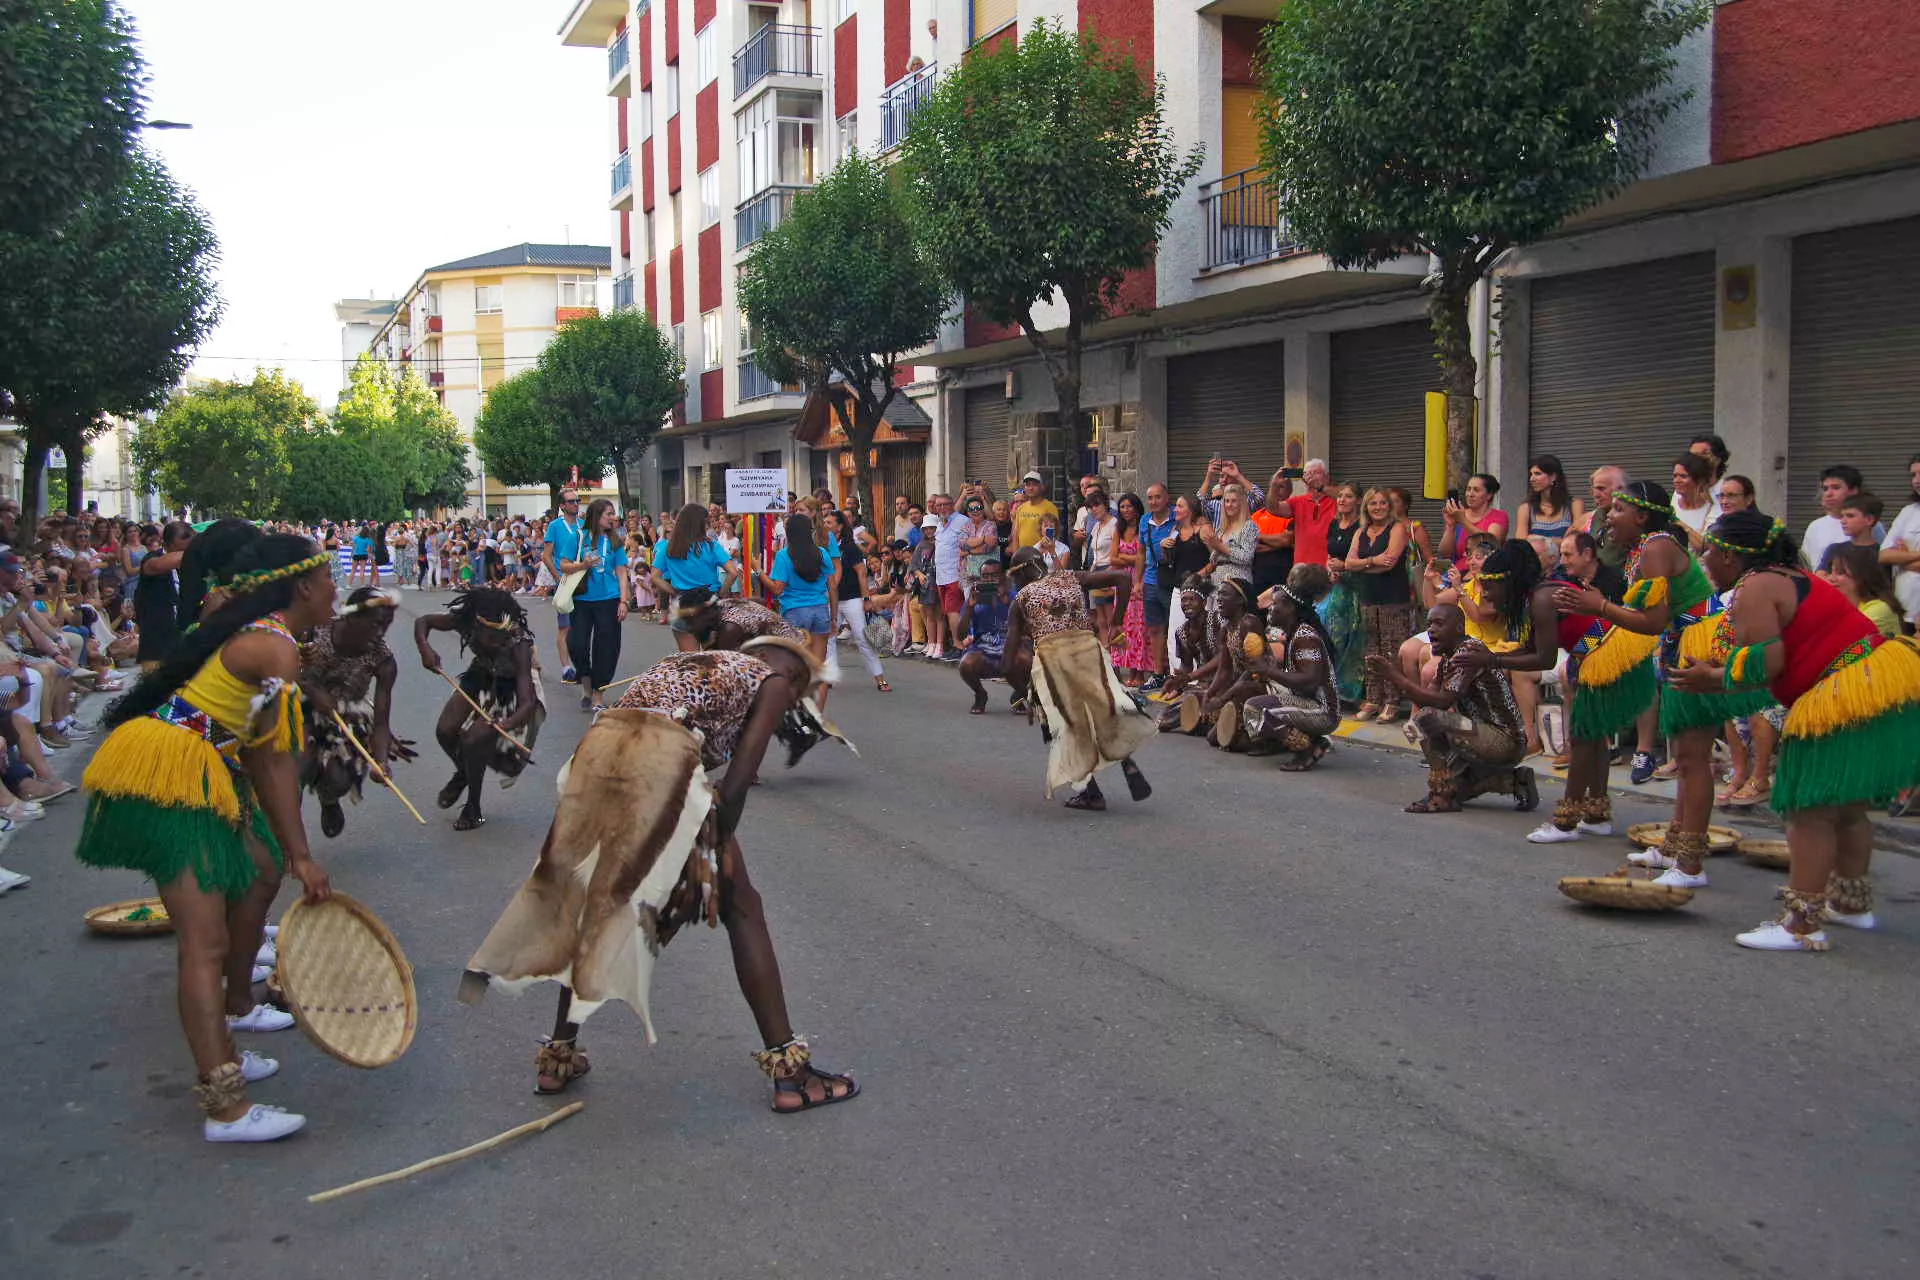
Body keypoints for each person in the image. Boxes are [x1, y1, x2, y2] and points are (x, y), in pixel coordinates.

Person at [460, 639, 859, 1109]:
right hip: (655, 761)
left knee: (598, 905)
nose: (791, 706)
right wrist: (708, 858)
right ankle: (791, 1076)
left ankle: (558, 1058)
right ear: (792, 677)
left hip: (595, 755)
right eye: (799, 696)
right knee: (743, 908)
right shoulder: (771, 682)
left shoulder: (696, 661)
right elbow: (733, 790)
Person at [74, 532, 336, 1143]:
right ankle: (225, 1106)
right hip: (172, 774)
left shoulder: (271, 637)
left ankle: (236, 1015)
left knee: (257, 874)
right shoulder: (277, 650)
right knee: (204, 942)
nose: (336, 591)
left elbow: (256, 750)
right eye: (328, 581)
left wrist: (289, 856)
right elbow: (273, 761)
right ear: (302, 586)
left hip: (199, 767)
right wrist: (302, 854)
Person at [1671, 508, 1920, 950]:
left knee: (1809, 811)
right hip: (1881, 680)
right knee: (1847, 809)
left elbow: (1767, 664)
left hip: (1841, 694)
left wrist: (1709, 678)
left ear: (1730, 555)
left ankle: (1801, 925)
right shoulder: (1793, 575)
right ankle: (1851, 905)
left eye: (1709, 551)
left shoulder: (1754, 587)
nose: (1703, 560)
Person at [1528, 482, 1692, 844]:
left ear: (1643, 516)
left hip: (1684, 649)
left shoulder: (1656, 547)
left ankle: (1568, 820)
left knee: (1587, 729)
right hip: (1660, 646)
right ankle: (1598, 814)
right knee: (1592, 726)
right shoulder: (1641, 550)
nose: (1608, 517)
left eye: (1618, 509)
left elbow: (1649, 621)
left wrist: (1598, 607)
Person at [1002, 547, 1154, 811]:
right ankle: (1124, 758)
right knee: (1104, 709)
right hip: (1089, 652)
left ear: (1024, 570)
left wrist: (1024, 692)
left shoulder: (1022, 599)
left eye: (1016, 576)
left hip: (1054, 660)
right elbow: (1123, 578)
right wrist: (1116, 622)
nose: (1016, 582)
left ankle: (1089, 791)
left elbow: (1007, 663)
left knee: (1062, 726)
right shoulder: (1071, 577)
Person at [1369, 603, 1536, 814]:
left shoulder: (1467, 653)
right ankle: (1513, 781)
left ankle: (1442, 793)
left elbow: (1441, 702)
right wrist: (1394, 676)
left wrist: (1395, 676)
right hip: (1480, 734)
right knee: (1415, 726)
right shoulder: (1449, 657)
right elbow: (1428, 698)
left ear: (1458, 628)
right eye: (1429, 624)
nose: (1431, 630)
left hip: (1503, 740)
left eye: (1438, 623)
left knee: (1425, 719)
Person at [415, 588, 544, 832]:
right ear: (476, 623)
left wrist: (502, 725)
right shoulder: (464, 620)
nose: (496, 642)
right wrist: (425, 648)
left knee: (475, 737)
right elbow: (423, 622)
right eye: (491, 636)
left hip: (511, 687)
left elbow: (527, 702)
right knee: (445, 730)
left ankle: (473, 807)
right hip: (481, 673)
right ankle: (464, 772)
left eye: (500, 637)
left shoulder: (518, 644)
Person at [298, 587, 406, 840]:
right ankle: (290, 842)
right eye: (376, 624)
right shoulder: (314, 631)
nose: (381, 633)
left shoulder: (383, 660)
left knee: (339, 781)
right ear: (351, 617)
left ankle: (328, 798)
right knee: (296, 769)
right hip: (297, 709)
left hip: (343, 718)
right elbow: (286, 667)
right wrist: (313, 691)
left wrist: (381, 762)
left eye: (386, 625)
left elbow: (381, 721)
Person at [1237, 565, 1340, 770]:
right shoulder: (1294, 633)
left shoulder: (1305, 637)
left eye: (1275, 604)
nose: (1270, 608)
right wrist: (1270, 668)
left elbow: (1309, 681)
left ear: (1290, 607)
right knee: (1254, 691)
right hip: (1307, 702)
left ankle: (1305, 749)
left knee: (1256, 708)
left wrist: (1269, 671)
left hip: (1323, 711)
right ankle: (1312, 742)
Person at [1342, 487, 1414, 722]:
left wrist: (1362, 565)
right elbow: (1348, 563)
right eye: (1373, 503)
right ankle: (1373, 699)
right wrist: (1372, 561)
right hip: (1367, 598)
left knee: (1391, 651)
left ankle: (1392, 701)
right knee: (1370, 651)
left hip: (1393, 599)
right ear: (1366, 507)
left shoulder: (1398, 529)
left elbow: (1390, 563)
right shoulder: (1361, 532)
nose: (1378, 507)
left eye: (1383, 503)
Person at [560, 498, 631, 714]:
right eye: (608, 514)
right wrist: (583, 564)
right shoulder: (579, 537)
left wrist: (624, 600)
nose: (612, 518)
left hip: (609, 599)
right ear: (597, 516)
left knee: (607, 647)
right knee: (577, 643)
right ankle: (586, 681)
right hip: (582, 600)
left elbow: (621, 572)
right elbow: (563, 564)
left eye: (613, 514)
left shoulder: (616, 539)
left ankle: (599, 694)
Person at [757, 512, 835, 682]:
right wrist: (834, 617)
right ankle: (818, 708)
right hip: (820, 610)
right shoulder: (822, 553)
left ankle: (799, 705)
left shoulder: (784, 555)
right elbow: (833, 587)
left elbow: (777, 589)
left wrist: (759, 572)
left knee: (795, 667)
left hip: (794, 611)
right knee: (818, 669)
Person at [651, 503, 735, 654]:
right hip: (709, 604)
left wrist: (673, 591)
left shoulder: (669, 547)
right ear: (699, 524)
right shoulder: (711, 546)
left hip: (683, 604)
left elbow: (655, 576)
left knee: (691, 662)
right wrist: (721, 593)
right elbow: (733, 572)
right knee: (713, 661)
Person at [823, 509, 889, 695]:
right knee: (829, 638)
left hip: (851, 598)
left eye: (829, 522)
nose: (826, 525)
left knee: (862, 637)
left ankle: (879, 677)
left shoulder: (850, 547)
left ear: (839, 526)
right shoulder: (823, 547)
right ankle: (830, 676)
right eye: (825, 522)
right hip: (830, 598)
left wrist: (865, 598)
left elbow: (861, 573)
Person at [1320, 483, 1365, 706]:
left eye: (1348, 497)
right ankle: (1335, 689)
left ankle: (1354, 693)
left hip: (1357, 587)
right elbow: (1330, 554)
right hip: (1338, 588)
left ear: (1358, 501)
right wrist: (1330, 570)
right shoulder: (1334, 524)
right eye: (1339, 496)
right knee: (1334, 636)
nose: (1342, 500)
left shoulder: (1362, 526)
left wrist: (1344, 567)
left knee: (1355, 638)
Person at [957, 560, 1019, 713]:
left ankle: (1019, 694)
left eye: (994, 575)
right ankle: (980, 694)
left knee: (1029, 660)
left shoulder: (1014, 596)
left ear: (1002, 576)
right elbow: (960, 635)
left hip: (1011, 648)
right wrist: (970, 607)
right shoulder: (975, 597)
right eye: (985, 576)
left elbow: (1028, 625)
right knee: (966, 664)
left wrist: (1008, 602)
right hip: (983, 649)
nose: (990, 580)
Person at [133, 520, 192, 670]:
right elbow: (156, 566)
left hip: (182, 636)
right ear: (165, 544)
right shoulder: (152, 559)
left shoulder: (192, 565)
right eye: (179, 549)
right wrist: (194, 552)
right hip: (156, 639)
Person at [1802, 464, 1882, 572]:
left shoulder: (1871, 525)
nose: (1828, 494)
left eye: (1836, 488)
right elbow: (1806, 564)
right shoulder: (1815, 526)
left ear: (1853, 490)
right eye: (1825, 489)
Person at [541, 489, 586, 678]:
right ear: (562, 505)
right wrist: (558, 577)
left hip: (583, 581)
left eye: (577, 500)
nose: (575, 504)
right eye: (571, 501)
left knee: (581, 626)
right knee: (565, 627)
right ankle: (566, 668)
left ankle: (582, 666)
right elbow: (546, 555)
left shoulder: (584, 525)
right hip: (565, 579)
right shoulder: (555, 526)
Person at [1109, 494, 1154, 685]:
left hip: (1140, 580)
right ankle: (1128, 670)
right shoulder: (1118, 529)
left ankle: (1140, 672)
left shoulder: (1144, 528)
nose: (1125, 510)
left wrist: (1127, 558)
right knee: (1124, 627)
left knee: (1140, 628)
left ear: (1137, 508)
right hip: (1122, 583)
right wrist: (1133, 558)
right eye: (1122, 507)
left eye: (1129, 506)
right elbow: (1112, 558)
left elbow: (1143, 557)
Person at [1821, 543, 1904, 639]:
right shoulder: (1841, 606)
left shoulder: (1880, 609)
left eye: (1840, 573)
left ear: (1862, 577)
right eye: (1831, 572)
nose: (1831, 578)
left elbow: (1843, 643)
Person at [1882, 454, 1920, 631]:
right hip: (1906, 610)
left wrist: (1903, 558)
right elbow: (1884, 556)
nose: (1916, 481)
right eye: (1913, 475)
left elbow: (1895, 557)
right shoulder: (1908, 512)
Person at [1440, 473, 1508, 570]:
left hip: (1484, 571)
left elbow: (1491, 543)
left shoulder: (1499, 516)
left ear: (1489, 495)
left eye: (1476, 490)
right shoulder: (1459, 514)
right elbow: (1445, 554)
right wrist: (1450, 527)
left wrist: (1463, 520)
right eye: (1468, 489)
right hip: (1459, 572)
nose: (1470, 494)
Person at [1514, 455, 1584, 542]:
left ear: (1553, 477)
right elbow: (1520, 544)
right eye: (1531, 474)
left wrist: (1535, 539)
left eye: (1537, 474)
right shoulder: (1525, 508)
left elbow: (1578, 541)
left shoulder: (1574, 504)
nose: (1532, 479)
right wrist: (1561, 541)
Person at [1669, 451, 1716, 550]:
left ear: (1699, 480)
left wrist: (1677, 522)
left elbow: (1704, 546)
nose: (1676, 480)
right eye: (1675, 476)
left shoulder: (1711, 509)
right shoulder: (1673, 501)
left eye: (1683, 476)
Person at [1009, 471, 1060, 549]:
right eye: (1028, 485)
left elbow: (1054, 533)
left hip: (1042, 554)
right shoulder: (1021, 508)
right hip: (1023, 554)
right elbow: (1015, 534)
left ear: (1041, 487)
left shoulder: (1050, 507)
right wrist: (1016, 556)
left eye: (1035, 485)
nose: (1031, 488)